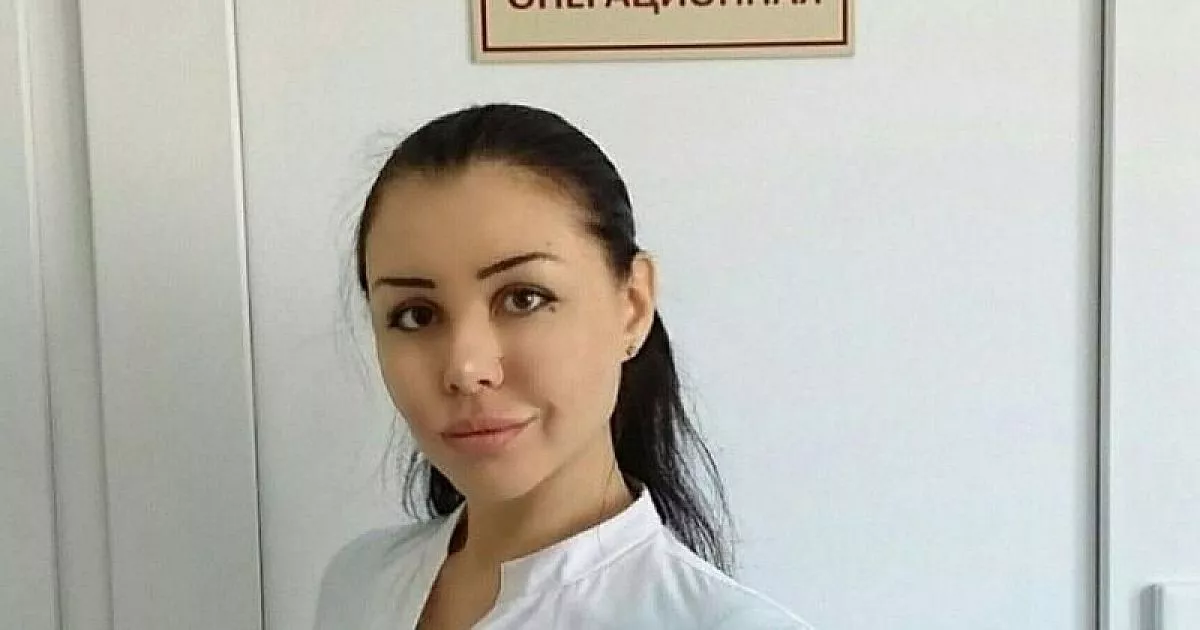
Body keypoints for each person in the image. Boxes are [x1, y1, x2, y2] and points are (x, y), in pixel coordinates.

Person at [314, 103, 813, 629]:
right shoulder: (359, 583)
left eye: (524, 298)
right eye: (416, 315)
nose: (466, 367)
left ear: (633, 305)